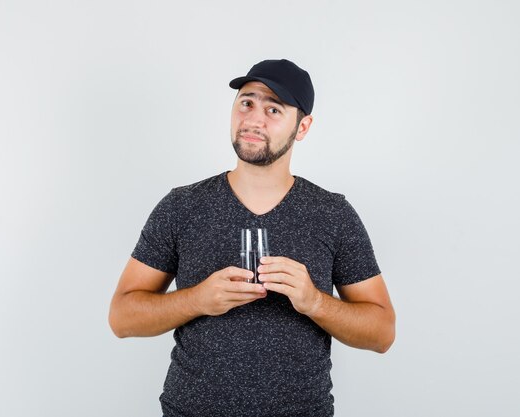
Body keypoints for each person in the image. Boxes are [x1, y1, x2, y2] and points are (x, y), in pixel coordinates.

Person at [109, 59, 395, 417]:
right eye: (247, 102)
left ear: (302, 127)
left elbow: (382, 332)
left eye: (273, 109)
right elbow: (121, 317)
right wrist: (197, 300)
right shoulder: (181, 206)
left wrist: (315, 302)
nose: (254, 119)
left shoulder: (332, 214)